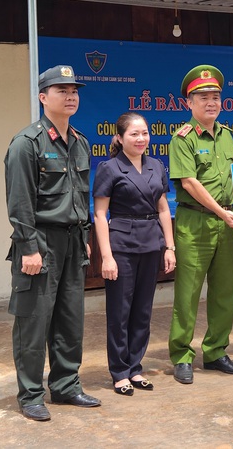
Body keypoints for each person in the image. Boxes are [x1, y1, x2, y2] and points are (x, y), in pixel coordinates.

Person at [4, 65, 100, 422]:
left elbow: (81, 195)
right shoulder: (26, 144)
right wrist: (29, 247)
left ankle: (66, 386)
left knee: (70, 320)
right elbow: (20, 202)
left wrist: (86, 238)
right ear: (43, 98)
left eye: (74, 90)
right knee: (34, 320)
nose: (70, 95)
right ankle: (30, 394)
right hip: (40, 242)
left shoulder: (80, 141)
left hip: (73, 242)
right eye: (61, 90)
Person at [168, 64, 233, 384]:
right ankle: (182, 355)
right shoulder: (182, 138)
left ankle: (215, 351)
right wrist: (221, 211)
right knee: (187, 293)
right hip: (195, 224)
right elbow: (189, 183)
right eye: (203, 97)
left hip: (227, 225)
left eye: (215, 97)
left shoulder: (227, 136)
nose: (211, 102)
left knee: (225, 290)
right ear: (189, 103)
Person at [93, 112, 176, 395]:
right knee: (120, 311)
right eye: (134, 134)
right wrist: (106, 256)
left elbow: (164, 208)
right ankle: (119, 372)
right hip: (122, 246)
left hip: (151, 244)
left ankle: (135, 367)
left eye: (145, 133)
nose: (141, 139)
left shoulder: (156, 165)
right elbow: (101, 214)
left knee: (142, 310)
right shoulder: (110, 168)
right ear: (119, 137)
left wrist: (170, 246)